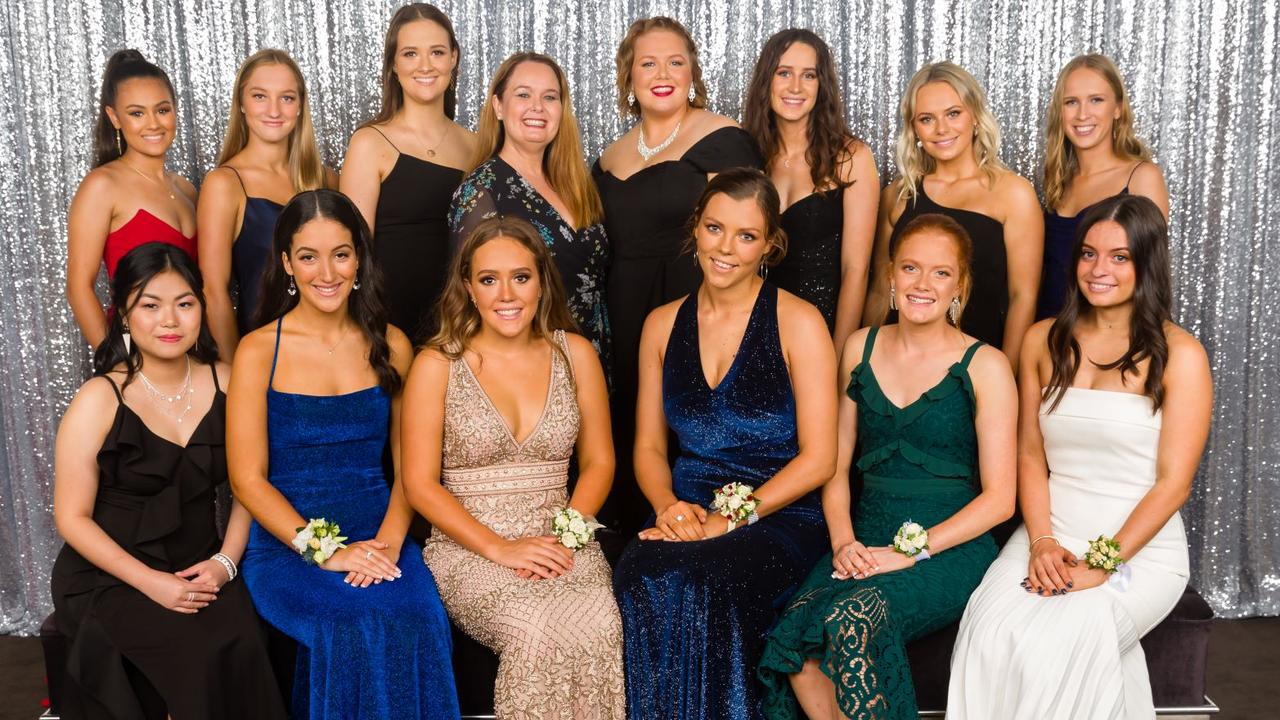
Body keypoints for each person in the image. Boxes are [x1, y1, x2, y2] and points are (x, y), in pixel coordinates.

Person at [947, 195, 1212, 719]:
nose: (1099, 269)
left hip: (1138, 550)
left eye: (1119, 257)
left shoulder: (1182, 355)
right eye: (1088, 254)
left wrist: (1103, 564)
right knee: (990, 624)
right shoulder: (1042, 339)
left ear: (1147, 263)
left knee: (1066, 637)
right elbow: (1029, 452)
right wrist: (1042, 541)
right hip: (1050, 529)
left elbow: (1173, 485)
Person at [757, 213, 1017, 720]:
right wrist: (842, 542)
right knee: (796, 638)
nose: (923, 284)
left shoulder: (986, 365)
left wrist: (908, 552)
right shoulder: (859, 347)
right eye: (911, 268)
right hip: (864, 534)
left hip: (949, 543)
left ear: (960, 285)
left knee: (852, 620)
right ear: (891, 276)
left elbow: (1000, 499)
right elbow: (833, 463)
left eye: (940, 273)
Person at [227, 189, 459, 719]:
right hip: (287, 543)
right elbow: (247, 480)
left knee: (417, 615)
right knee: (345, 624)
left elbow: (410, 470)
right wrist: (326, 554)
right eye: (308, 256)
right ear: (287, 264)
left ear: (360, 258)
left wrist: (388, 545)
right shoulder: (258, 349)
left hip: (379, 531)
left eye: (341, 253)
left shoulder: (394, 344)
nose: (326, 272)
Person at [612, 169, 835, 719]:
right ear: (696, 229)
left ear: (769, 245)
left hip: (780, 514)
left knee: (710, 579)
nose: (726, 248)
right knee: (640, 572)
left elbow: (821, 457)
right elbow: (647, 448)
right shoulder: (662, 326)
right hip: (686, 507)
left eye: (746, 235)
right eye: (715, 228)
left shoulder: (799, 322)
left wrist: (732, 518)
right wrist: (668, 507)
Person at [51, 242, 286, 719]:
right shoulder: (99, 397)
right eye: (150, 306)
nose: (170, 321)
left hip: (199, 560)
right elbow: (71, 519)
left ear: (202, 307)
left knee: (244, 639)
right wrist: (152, 583)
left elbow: (250, 485)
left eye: (184, 304)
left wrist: (225, 562)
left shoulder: (227, 380)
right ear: (124, 316)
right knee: (192, 655)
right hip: (110, 574)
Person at [403, 216, 624, 719]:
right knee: (534, 628)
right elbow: (418, 484)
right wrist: (500, 548)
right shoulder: (437, 364)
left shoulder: (576, 354)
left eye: (520, 277)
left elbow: (599, 461)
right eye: (488, 279)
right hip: (470, 546)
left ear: (542, 281)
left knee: (601, 622)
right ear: (468, 287)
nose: (507, 294)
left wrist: (566, 538)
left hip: (562, 535)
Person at [593, 16, 764, 538]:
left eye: (675, 61)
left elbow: (738, 237)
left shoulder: (724, 140)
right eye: (648, 62)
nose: (662, 73)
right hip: (623, 312)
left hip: (696, 304)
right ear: (629, 76)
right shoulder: (607, 157)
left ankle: (700, 525)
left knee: (693, 425)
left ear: (693, 72)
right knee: (630, 428)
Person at [864, 61, 1042, 369]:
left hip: (976, 365)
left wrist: (1007, 378)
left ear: (975, 116)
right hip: (900, 364)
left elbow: (1022, 297)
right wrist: (865, 364)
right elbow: (881, 289)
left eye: (953, 113)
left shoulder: (1013, 194)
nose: (941, 129)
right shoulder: (900, 194)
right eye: (926, 119)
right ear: (914, 129)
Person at [449, 52, 610, 370]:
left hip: (593, 357)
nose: (537, 107)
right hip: (528, 369)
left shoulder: (576, 184)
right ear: (498, 106)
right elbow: (471, 299)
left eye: (549, 97)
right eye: (523, 94)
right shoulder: (481, 192)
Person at [341, 3, 475, 344]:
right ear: (394, 64)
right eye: (411, 53)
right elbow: (352, 250)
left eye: (437, 52)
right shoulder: (370, 142)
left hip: (460, 324)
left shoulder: (476, 146)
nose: (425, 65)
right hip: (388, 324)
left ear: (454, 58)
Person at [743, 28, 878, 349]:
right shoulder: (747, 155)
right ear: (767, 81)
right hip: (752, 326)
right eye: (784, 73)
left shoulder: (851, 157)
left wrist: (839, 354)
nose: (795, 87)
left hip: (820, 328)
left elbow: (855, 271)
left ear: (822, 86)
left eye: (809, 75)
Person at [199, 49, 335, 359]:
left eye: (286, 98)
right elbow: (214, 293)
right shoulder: (224, 184)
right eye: (260, 96)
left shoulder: (327, 180)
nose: (274, 110)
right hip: (266, 356)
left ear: (300, 106)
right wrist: (236, 376)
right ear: (242, 105)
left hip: (331, 354)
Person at [67, 50, 197, 349]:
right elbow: (78, 288)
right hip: (135, 353)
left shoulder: (187, 189)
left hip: (190, 352)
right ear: (114, 117)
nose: (153, 123)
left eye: (162, 110)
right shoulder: (102, 185)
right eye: (137, 113)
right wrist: (119, 363)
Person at [1038, 53, 1170, 319]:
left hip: (1108, 341)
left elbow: (1150, 274)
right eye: (1071, 102)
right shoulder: (1057, 182)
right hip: (1048, 335)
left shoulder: (1141, 177)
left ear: (1118, 108)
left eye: (1096, 100)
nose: (1082, 114)